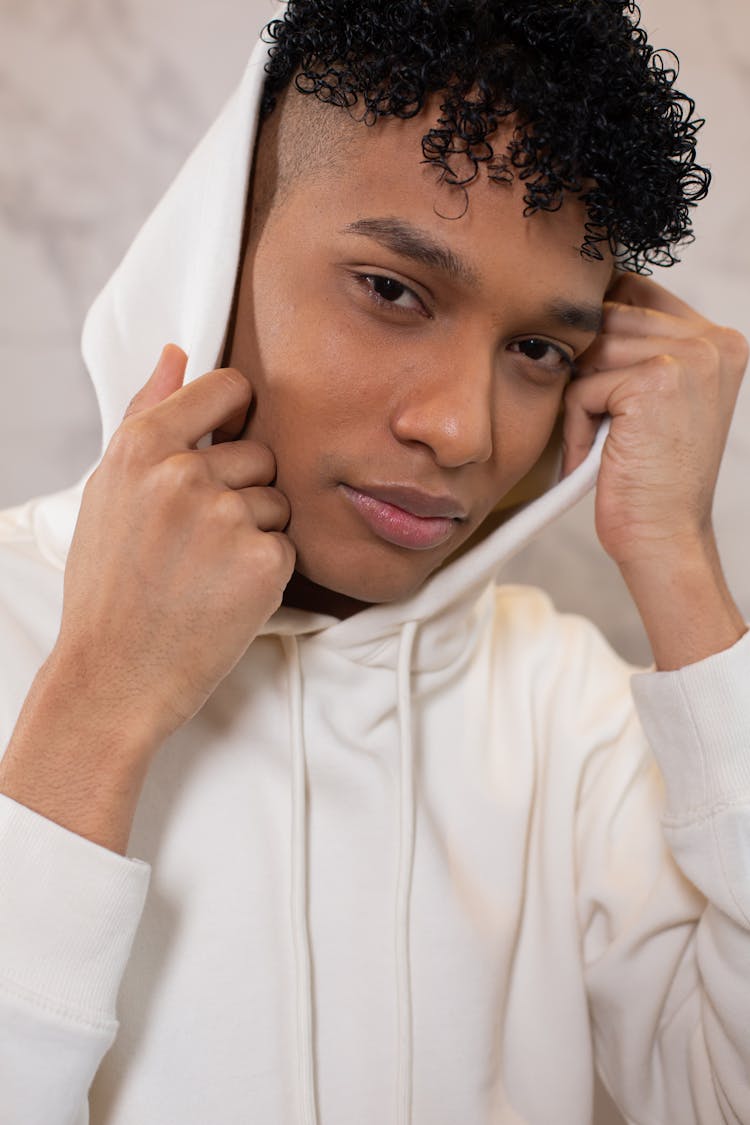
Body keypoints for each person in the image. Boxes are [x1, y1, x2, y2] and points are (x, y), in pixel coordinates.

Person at [0, 0, 748, 1121]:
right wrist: (93, 715)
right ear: (215, 253)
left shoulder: (570, 710)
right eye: (393, 291)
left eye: (538, 349)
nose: (466, 433)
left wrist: (680, 561)